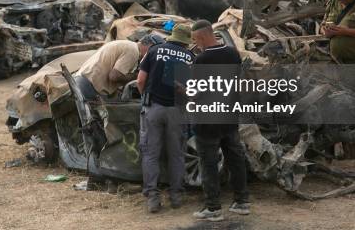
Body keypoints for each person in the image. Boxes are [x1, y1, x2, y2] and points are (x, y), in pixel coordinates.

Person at [190, 20, 249, 222]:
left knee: (208, 163)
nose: (196, 44)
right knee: (235, 159)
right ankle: (241, 202)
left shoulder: (202, 59)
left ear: (204, 36)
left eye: (196, 40)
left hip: (208, 121)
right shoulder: (233, 53)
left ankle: (213, 208)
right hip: (229, 116)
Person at [137, 24, 195, 213]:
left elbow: (140, 80)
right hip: (176, 111)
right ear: (186, 41)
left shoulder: (154, 50)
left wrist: (146, 97)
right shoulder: (190, 57)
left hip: (153, 108)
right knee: (176, 154)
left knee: (151, 154)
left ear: (172, 36)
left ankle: (153, 198)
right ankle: (176, 196)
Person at [75, 36, 162, 100]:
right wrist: (136, 76)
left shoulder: (127, 45)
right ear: (150, 46)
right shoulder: (133, 51)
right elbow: (114, 76)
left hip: (81, 82)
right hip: (88, 86)